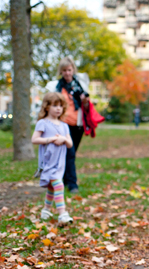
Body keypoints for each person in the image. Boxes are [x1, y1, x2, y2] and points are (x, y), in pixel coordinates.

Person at [46, 57, 93, 194]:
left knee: (70, 154)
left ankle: (65, 180)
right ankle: (72, 185)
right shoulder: (56, 88)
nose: (67, 73)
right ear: (61, 71)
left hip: (77, 125)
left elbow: (86, 106)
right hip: (62, 125)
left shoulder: (80, 85)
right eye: (64, 70)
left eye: (69, 70)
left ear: (73, 70)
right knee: (70, 153)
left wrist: (85, 101)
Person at [31, 93, 74, 224]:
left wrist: (63, 139)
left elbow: (70, 144)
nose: (58, 108)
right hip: (48, 162)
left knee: (51, 186)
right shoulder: (42, 123)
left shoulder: (64, 125)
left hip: (59, 162)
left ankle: (46, 210)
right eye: (55, 105)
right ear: (47, 107)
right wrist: (51, 139)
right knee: (59, 185)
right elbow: (34, 139)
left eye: (61, 106)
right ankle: (62, 214)